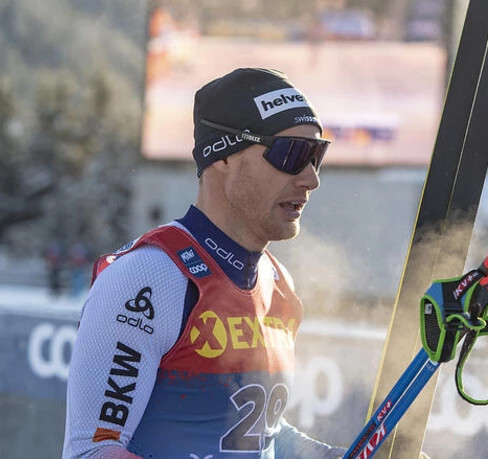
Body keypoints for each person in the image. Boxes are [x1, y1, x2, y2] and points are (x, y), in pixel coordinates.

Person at [63, 68, 343, 458]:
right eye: (292, 154)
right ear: (224, 156)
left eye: (316, 155)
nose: (311, 178)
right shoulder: (150, 278)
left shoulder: (278, 282)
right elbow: (91, 451)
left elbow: (260, 437)